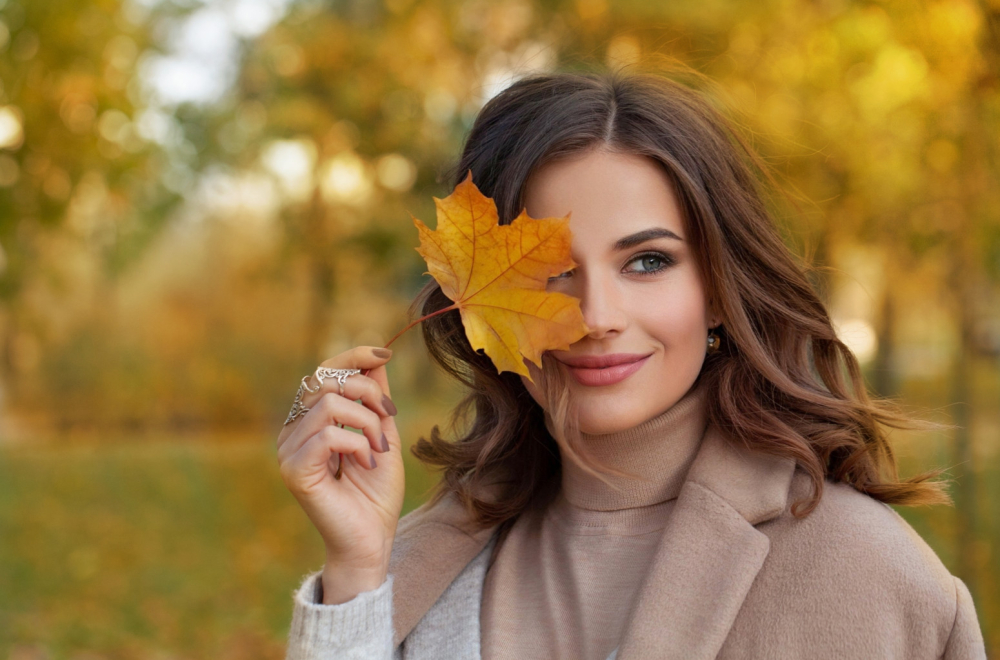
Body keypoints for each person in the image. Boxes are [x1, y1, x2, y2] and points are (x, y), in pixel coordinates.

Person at [275, 69, 987, 660]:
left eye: (648, 261)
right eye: (552, 271)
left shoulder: (866, 575)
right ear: (472, 301)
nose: (597, 315)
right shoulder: (412, 566)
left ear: (716, 291)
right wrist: (356, 580)